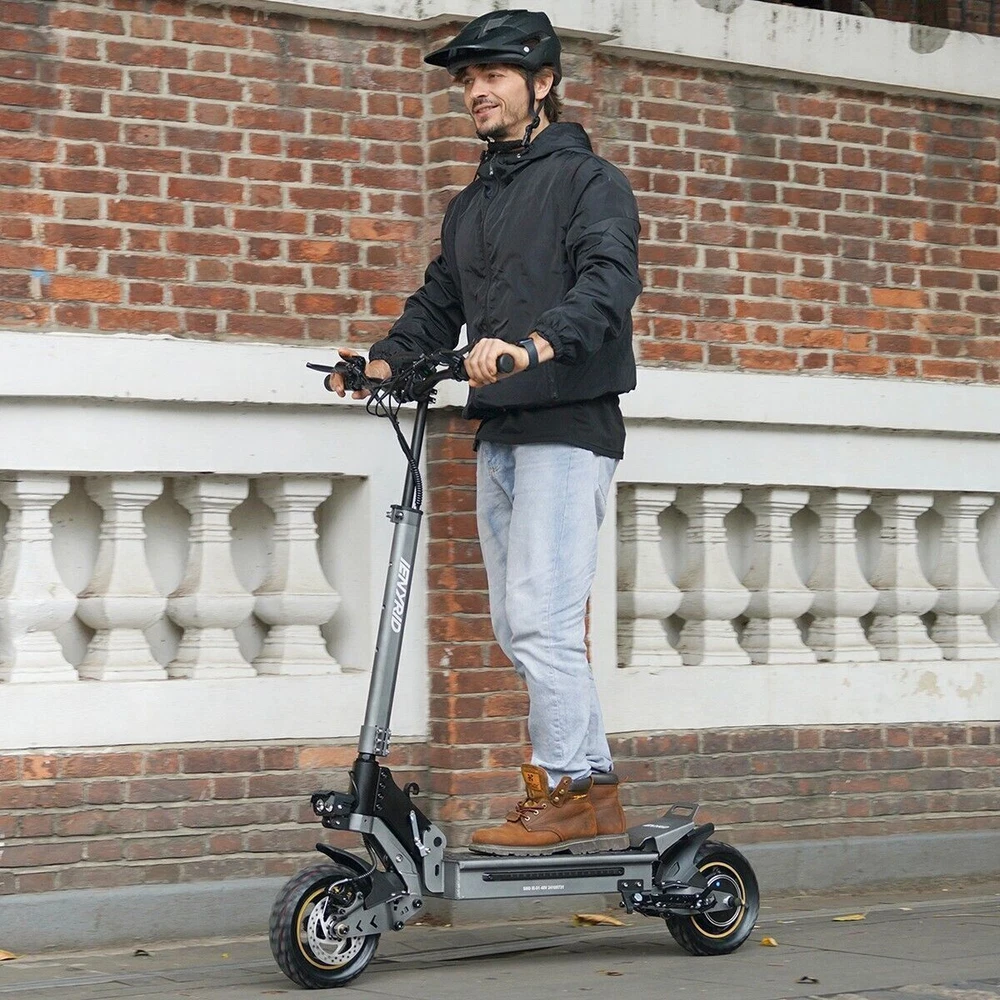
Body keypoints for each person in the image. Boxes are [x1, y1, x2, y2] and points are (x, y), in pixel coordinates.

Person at [328, 9, 642, 856]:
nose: (476, 91)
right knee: (519, 624)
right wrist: (382, 362)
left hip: (568, 425)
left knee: (541, 619)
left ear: (543, 83)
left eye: (493, 75)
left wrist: (534, 344)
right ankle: (593, 785)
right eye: (468, 79)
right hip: (500, 430)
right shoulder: (474, 204)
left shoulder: (590, 183)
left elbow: (608, 284)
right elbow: (439, 304)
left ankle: (564, 788)